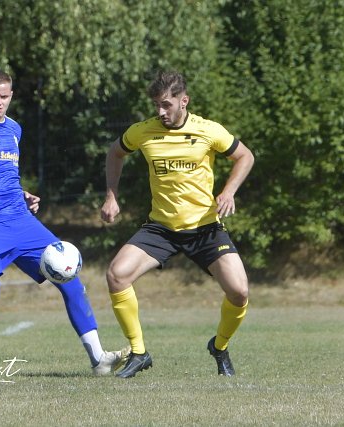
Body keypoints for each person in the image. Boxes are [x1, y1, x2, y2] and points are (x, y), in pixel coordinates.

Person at [0, 70, 126, 376]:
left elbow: (4, 176)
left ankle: (99, 359)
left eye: (4, 96)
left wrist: (24, 195)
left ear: (11, 95)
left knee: (70, 277)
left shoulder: (14, 128)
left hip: (21, 222)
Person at [100, 71, 254, 378]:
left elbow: (245, 156)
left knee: (239, 292)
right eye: (157, 105)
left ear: (184, 101)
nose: (160, 111)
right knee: (117, 275)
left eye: (166, 105)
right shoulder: (142, 131)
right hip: (161, 229)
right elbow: (115, 153)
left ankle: (220, 346)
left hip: (205, 229)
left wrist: (228, 192)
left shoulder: (208, 130)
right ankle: (139, 352)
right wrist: (111, 196)